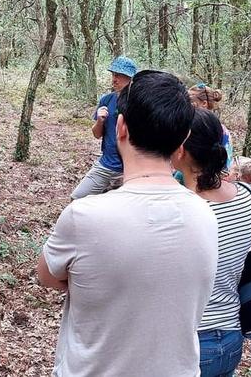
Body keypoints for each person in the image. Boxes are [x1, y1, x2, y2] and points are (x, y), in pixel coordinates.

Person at [38, 71, 219, 376]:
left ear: (120, 127)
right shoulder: (206, 216)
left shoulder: (84, 217)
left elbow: (48, 276)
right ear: (183, 139)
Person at [172, 109, 251, 377]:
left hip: (190, 341)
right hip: (231, 337)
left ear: (181, 150)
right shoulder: (246, 197)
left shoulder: (181, 209)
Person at [70, 56, 137, 199]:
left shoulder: (139, 103)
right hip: (106, 165)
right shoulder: (106, 100)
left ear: (130, 78)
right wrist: (100, 121)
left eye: (119, 76)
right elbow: (97, 134)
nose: (114, 79)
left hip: (131, 169)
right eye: (113, 75)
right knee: (77, 198)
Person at [189, 84, 234, 171]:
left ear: (204, 103)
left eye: (190, 101)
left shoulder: (216, 130)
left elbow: (225, 162)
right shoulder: (188, 124)